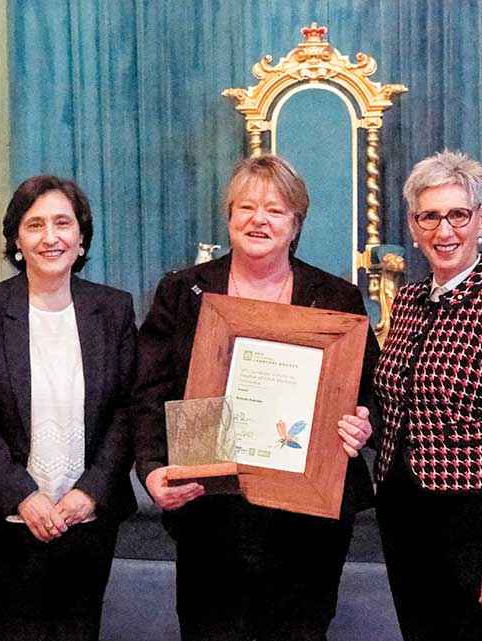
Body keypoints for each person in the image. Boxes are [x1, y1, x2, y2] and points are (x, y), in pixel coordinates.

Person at [133, 154, 379, 641]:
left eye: (275, 210)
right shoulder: (183, 292)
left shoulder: (336, 298)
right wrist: (153, 467)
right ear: (229, 217)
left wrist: (362, 422)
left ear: (296, 224)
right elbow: (148, 392)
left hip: (307, 519)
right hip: (210, 510)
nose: (258, 220)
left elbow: (371, 390)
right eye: (245, 207)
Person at [0, 175, 137, 641]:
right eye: (35, 225)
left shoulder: (113, 310)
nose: (50, 237)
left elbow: (128, 410)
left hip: (87, 517)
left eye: (63, 223)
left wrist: (90, 492)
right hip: (1, 519)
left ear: (81, 238)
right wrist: (23, 497)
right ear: (16, 240)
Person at [373, 150, 482, 641]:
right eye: (429, 216)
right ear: (413, 225)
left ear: (481, 219)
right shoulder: (408, 301)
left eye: (458, 215)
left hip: (472, 519)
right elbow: (396, 403)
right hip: (403, 507)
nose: (444, 231)